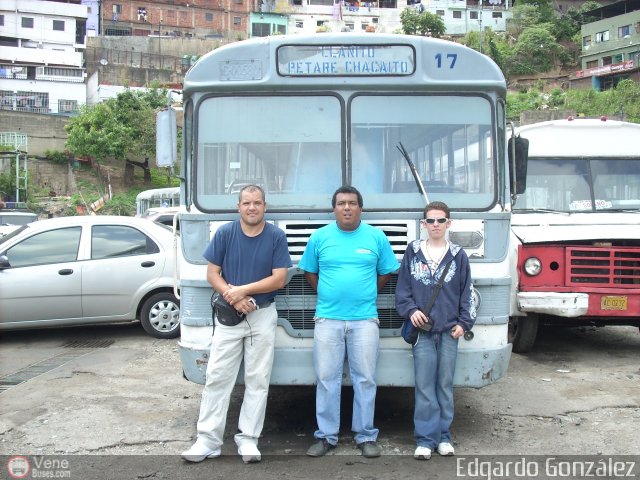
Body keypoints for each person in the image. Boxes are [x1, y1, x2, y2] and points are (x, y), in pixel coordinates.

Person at [181, 184, 292, 464]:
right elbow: (212, 273)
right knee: (218, 377)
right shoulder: (225, 233)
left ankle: (249, 440)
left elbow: (279, 278)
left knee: (258, 379)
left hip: (262, 315)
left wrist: (243, 290)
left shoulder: (276, 236)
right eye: (246, 203)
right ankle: (208, 440)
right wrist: (234, 296)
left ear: (265, 206)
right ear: (238, 207)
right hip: (230, 316)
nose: (252, 207)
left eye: (257, 203)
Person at [299, 185, 399, 458]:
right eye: (341, 203)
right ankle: (326, 436)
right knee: (326, 379)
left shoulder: (376, 237)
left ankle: (365, 436)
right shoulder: (319, 237)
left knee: (365, 379)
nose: (346, 207)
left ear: (360, 208)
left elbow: (386, 272)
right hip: (327, 320)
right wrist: (326, 293)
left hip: (365, 320)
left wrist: (366, 294)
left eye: (352, 203)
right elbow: (309, 271)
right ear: (333, 208)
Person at [395, 201, 476, 460]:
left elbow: (467, 293)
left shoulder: (458, 255)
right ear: (424, 224)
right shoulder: (413, 251)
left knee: (444, 384)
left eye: (441, 220)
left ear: (449, 223)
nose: (436, 225)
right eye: (431, 221)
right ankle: (425, 439)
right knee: (424, 385)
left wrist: (464, 323)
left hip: (450, 331)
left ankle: (443, 437)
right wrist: (410, 311)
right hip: (422, 332)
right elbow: (403, 290)